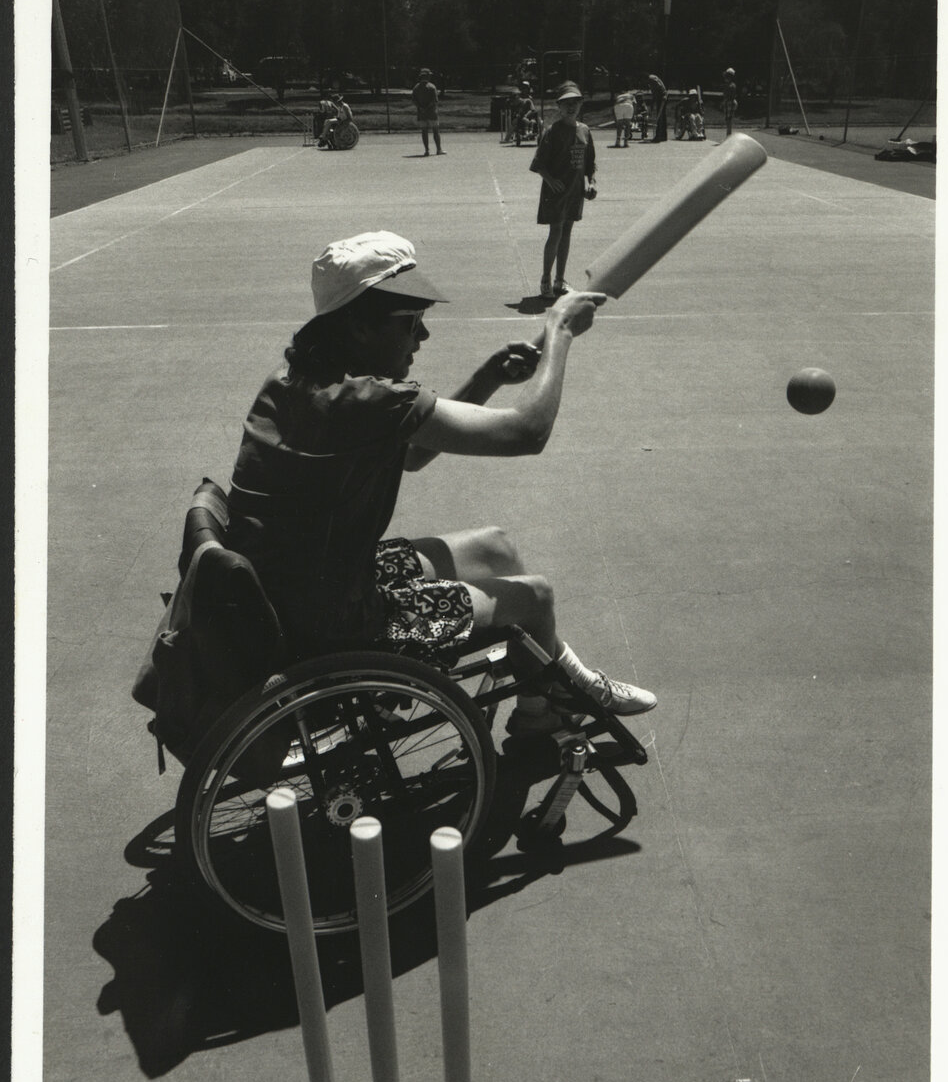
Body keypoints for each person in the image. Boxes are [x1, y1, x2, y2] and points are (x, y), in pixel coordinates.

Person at [225, 230, 657, 737]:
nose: (423, 336)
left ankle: (557, 691)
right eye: (410, 322)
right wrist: (559, 331)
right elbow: (527, 432)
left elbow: (410, 455)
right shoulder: (372, 401)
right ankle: (546, 711)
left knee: (495, 547)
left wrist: (487, 377)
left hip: (298, 589)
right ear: (359, 328)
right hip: (338, 619)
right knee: (536, 597)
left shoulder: (299, 380)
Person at [529, 79, 597, 303]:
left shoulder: (584, 130)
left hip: (575, 191)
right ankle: (546, 279)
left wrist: (591, 182)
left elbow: (590, 163)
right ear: (559, 106)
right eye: (566, 102)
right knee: (556, 231)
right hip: (556, 192)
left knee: (567, 232)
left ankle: (560, 279)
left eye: (575, 102)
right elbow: (539, 164)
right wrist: (550, 180)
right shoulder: (553, 131)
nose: (571, 106)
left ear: (580, 104)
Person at [412, 68, 444, 156]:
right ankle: (439, 149)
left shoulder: (416, 87)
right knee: (436, 131)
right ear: (427, 76)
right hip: (432, 113)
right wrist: (427, 108)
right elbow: (434, 101)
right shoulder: (432, 86)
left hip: (421, 113)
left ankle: (427, 150)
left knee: (424, 131)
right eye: (429, 75)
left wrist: (421, 108)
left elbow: (414, 100)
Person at [648, 73, 668, 142]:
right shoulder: (653, 77)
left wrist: (652, 104)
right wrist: (652, 104)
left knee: (659, 117)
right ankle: (663, 136)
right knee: (662, 117)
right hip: (663, 96)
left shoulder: (651, 79)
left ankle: (658, 137)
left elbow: (655, 91)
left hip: (662, 98)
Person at [721, 67, 738, 137]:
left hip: (730, 103)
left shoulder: (731, 85)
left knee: (729, 120)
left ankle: (729, 135)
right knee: (727, 120)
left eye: (727, 76)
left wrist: (726, 100)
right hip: (727, 103)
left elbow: (731, 96)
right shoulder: (727, 85)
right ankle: (728, 134)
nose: (725, 78)